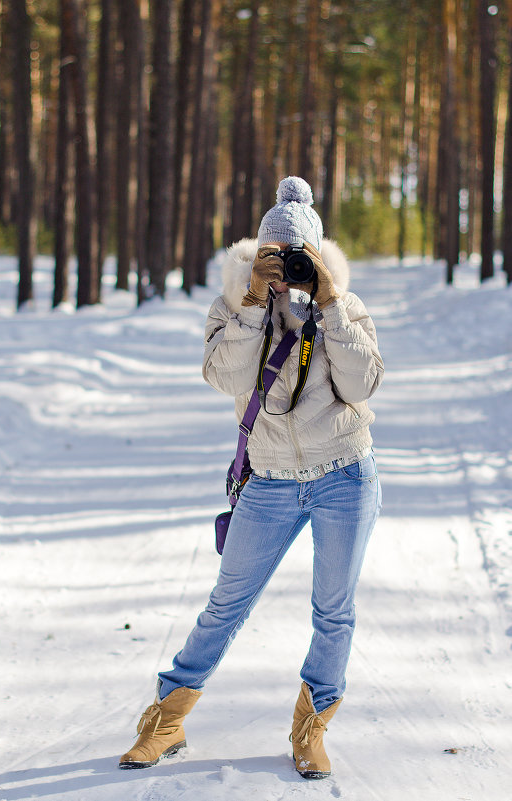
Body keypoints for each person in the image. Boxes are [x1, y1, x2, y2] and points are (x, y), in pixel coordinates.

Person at [119, 176, 384, 779]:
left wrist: (332, 302)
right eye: (276, 258)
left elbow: (364, 385)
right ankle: (166, 719)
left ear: (315, 258)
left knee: (333, 611)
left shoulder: (344, 306)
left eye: (297, 260)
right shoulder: (232, 307)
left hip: (345, 474)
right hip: (268, 480)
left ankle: (311, 728)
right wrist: (250, 304)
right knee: (226, 604)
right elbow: (224, 376)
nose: (286, 272)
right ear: (257, 255)